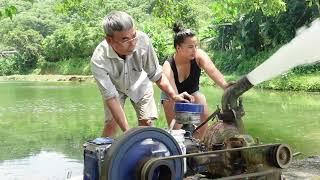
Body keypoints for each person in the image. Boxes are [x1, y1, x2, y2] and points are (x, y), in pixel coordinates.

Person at [91, 11, 193, 137]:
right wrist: (128, 135)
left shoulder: (143, 40)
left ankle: (149, 155)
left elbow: (156, 74)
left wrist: (174, 95)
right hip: (115, 89)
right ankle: (103, 156)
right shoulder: (99, 60)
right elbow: (111, 97)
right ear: (109, 40)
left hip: (140, 84)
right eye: (125, 39)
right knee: (112, 124)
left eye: (134, 36)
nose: (132, 42)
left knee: (147, 123)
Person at [161, 24, 229, 139]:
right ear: (178, 48)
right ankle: (179, 143)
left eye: (196, 46)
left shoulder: (199, 56)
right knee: (176, 124)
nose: (194, 50)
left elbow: (212, 71)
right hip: (173, 96)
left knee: (201, 99)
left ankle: (198, 142)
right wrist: (182, 109)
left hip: (192, 93)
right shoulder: (168, 67)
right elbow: (174, 97)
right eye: (190, 47)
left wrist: (226, 86)